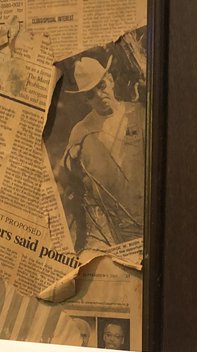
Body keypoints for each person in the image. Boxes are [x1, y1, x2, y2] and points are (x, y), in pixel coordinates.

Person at [59, 56, 145, 250]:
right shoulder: (82, 131)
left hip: (148, 214)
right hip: (118, 228)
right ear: (84, 99)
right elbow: (70, 180)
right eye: (90, 94)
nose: (99, 95)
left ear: (111, 80)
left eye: (101, 85)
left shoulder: (138, 113)